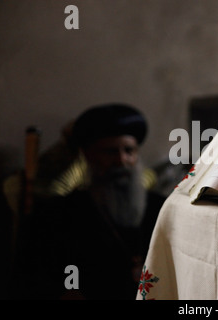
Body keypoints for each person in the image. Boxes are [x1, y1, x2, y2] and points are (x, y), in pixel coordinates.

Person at [15, 104, 165, 299]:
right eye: (110, 152)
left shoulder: (161, 207)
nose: (121, 160)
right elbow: (37, 277)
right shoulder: (59, 214)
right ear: (88, 155)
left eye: (129, 151)